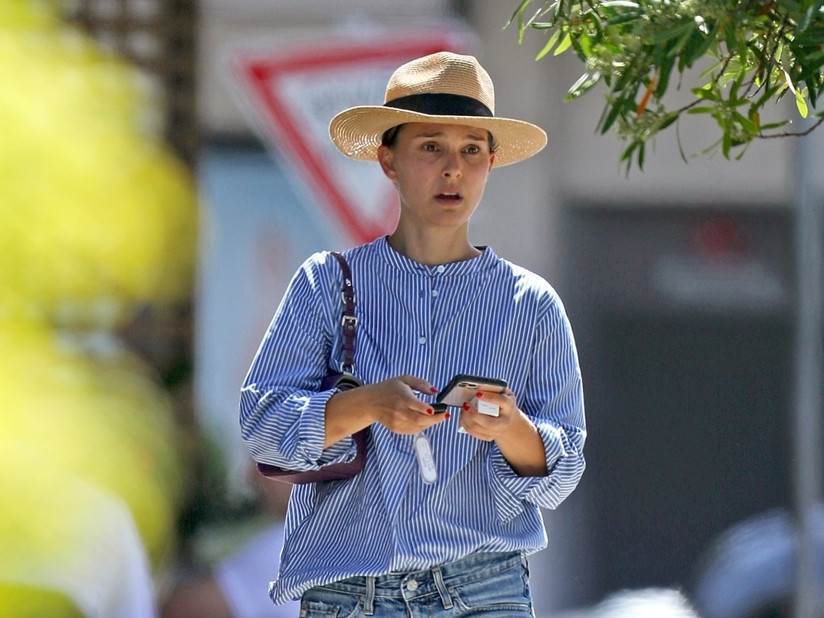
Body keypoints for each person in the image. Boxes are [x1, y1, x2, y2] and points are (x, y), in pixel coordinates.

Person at [239, 51, 586, 617]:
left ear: (491, 162)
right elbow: (261, 428)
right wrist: (367, 405)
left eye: (471, 150)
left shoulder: (531, 305)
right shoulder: (326, 284)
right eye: (430, 147)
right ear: (388, 161)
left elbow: (563, 470)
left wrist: (510, 427)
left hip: (483, 591)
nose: (453, 169)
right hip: (350, 594)